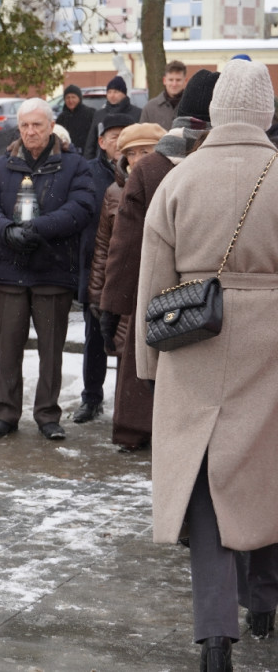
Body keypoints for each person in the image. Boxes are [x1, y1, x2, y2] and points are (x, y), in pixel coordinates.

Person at [134, 58, 278, 670]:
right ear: (268, 111)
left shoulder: (178, 179)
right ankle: (266, 603)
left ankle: (214, 635)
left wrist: (148, 363)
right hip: (272, 345)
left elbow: (152, 283)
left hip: (195, 340)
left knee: (206, 492)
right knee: (268, 476)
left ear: (215, 111)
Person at [99, 69, 220, 452]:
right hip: (213, 294)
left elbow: (127, 243)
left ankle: (135, 432)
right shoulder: (228, 164)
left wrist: (113, 306)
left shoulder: (151, 167)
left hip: (153, 290)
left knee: (144, 362)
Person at [0, 98, 95, 441]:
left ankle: (47, 415)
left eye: (37, 125)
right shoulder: (3, 165)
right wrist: (6, 231)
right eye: (25, 125)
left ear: (51, 125)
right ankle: (6, 413)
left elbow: (83, 207)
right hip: (11, 271)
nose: (30, 131)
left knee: (51, 351)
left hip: (52, 271)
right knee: (8, 349)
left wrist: (39, 227)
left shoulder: (74, 165)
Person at [87, 122, 165, 452]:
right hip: (125, 288)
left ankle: (157, 428)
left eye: (144, 152)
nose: (136, 159)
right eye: (130, 152)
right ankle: (133, 429)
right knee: (128, 363)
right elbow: (106, 247)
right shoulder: (114, 192)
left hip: (159, 285)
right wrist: (99, 294)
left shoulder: (169, 184)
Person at [74, 113, 134, 425]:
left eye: (125, 135)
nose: (119, 142)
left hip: (131, 270)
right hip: (96, 268)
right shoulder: (88, 173)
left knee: (129, 342)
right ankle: (91, 398)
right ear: (101, 142)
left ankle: (127, 405)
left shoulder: (142, 171)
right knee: (94, 337)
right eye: (113, 137)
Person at [84, 76, 143, 159]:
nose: (112, 95)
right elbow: (91, 143)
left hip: (130, 160)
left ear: (124, 93)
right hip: (103, 162)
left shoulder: (137, 113)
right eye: (109, 92)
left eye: (116, 92)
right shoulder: (99, 114)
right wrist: (89, 163)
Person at [140, 61, 186, 129]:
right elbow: (142, 135)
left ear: (185, 81)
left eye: (178, 80)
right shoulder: (150, 108)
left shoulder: (193, 107)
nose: (174, 84)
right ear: (164, 80)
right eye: (171, 80)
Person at [56, 84, 95, 157]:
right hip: (68, 156)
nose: (70, 100)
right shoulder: (61, 118)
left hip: (86, 155)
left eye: (73, 97)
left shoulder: (90, 114)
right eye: (67, 97)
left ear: (79, 98)